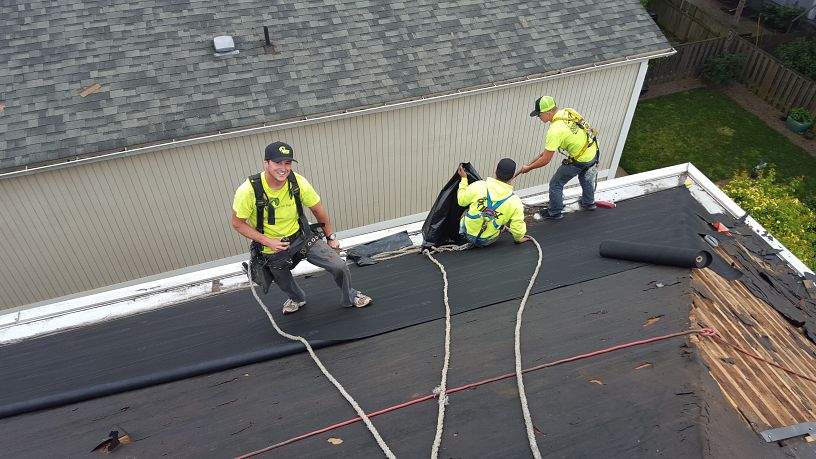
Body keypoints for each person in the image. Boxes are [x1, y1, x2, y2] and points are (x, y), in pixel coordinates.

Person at [231, 141, 372, 314]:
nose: (283, 168)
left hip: (302, 237)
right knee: (283, 281)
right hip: (272, 247)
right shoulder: (248, 191)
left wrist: (331, 238)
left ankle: (350, 296)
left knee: (339, 266)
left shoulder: (297, 182)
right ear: (266, 163)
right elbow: (238, 223)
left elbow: (318, 210)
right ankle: (297, 298)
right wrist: (268, 242)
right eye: (277, 163)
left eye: (287, 163)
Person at [517, 95, 600, 220]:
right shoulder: (569, 111)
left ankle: (554, 212)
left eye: (539, 115)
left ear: (548, 113)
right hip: (593, 150)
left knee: (556, 183)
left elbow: (546, 160)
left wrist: (529, 167)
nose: (538, 117)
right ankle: (589, 203)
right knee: (586, 177)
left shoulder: (554, 130)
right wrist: (547, 151)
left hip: (581, 159)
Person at [457, 158, 530, 247]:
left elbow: (461, 201)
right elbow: (517, 227)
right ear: (513, 176)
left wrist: (464, 180)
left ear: (495, 171)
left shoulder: (478, 186)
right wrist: (519, 239)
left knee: (467, 208)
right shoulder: (515, 202)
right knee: (506, 218)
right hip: (487, 240)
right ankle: (496, 228)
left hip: (467, 233)